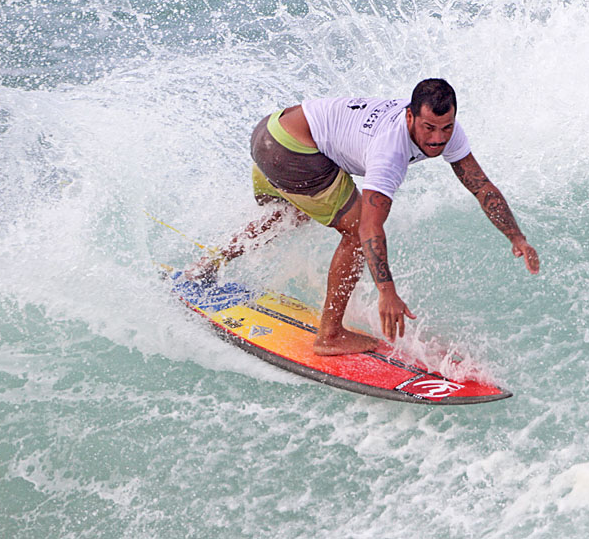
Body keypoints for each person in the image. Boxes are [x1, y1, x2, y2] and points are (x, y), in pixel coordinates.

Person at [187, 79, 540, 355]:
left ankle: (206, 265)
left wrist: (517, 237)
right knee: (356, 229)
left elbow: (481, 185)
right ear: (410, 116)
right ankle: (329, 335)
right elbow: (370, 227)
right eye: (429, 128)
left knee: (292, 212)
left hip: (271, 132)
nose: (437, 139)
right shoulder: (390, 151)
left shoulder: (447, 132)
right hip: (290, 150)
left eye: (446, 128)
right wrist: (387, 292)